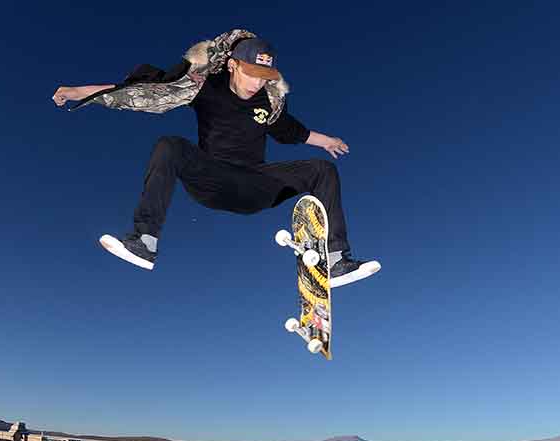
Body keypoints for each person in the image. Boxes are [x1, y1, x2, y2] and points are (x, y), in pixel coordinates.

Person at [52, 31, 380, 287]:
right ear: (233, 65)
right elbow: (142, 92)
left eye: (264, 76)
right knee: (170, 145)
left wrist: (328, 142)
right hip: (211, 181)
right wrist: (78, 92)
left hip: (255, 185)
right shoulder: (204, 87)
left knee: (322, 170)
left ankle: (336, 261)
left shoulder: (268, 102)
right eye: (251, 73)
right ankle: (144, 240)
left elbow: (294, 132)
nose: (257, 83)